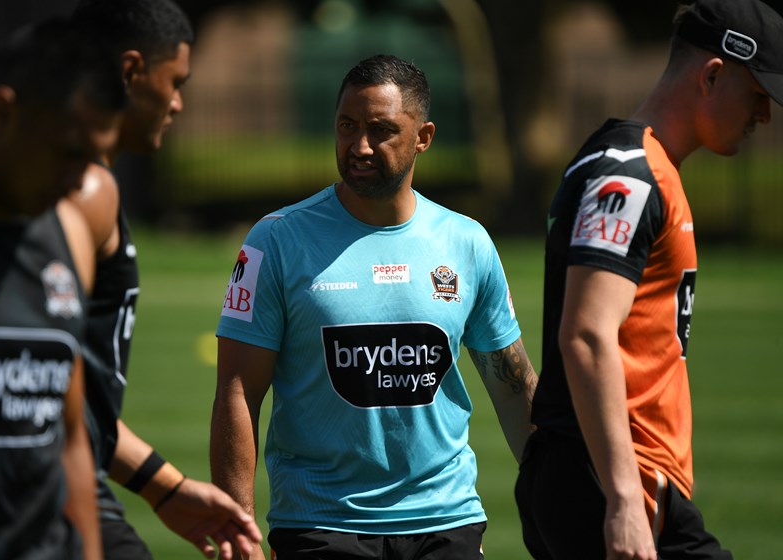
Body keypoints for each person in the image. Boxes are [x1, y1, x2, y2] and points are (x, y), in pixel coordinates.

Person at [211, 53, 538, 560]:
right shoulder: (275, 241)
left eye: (381, 130)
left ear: (423, 137)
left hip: (446, 521)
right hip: (321, 525)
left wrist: (559, 498)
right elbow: (237, 391)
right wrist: (239, 531)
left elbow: (513, 386)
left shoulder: (467, 242)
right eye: (347, 126)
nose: (359, 145)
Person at [515, 1, 783, 558]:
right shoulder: (629, 176)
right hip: (613, 480)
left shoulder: (638, 164)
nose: (765, 115)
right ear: (712, 75)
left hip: (609, 478)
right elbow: (586, 334)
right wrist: (622, 501)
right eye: (758, 93)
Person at [67, 1, 263, 559]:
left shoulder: (89, 186)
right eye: (174, 82)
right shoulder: (84, 193)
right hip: (53, 493)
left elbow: (75, 406)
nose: (178, 103)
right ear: (131, 71)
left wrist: (165, 488)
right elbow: (35, 392)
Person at [0, 18, 126, 560]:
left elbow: (69, 438)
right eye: (69, 153)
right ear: (3, 111)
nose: (79, 181)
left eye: (93, 160)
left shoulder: (67, 233)